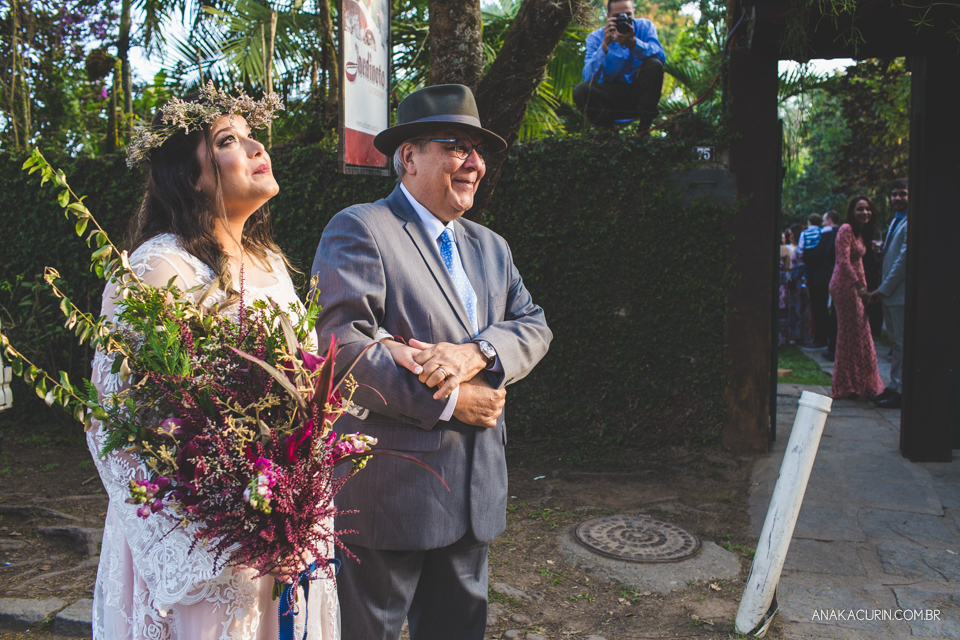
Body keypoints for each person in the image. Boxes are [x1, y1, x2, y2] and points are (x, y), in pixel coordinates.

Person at [87, 89, 393, 639]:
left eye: (253, 136)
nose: (257, 147)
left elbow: (302, 390)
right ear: (190, 176)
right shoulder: (158, 268)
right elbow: (113, 423)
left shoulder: (269, 261)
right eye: (229, 140)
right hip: (205, 543)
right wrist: (227, 531)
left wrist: (294, 505)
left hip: (286, 527)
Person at [311, 84, 552, 640]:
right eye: (456, 146)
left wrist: (476, 353)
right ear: (409, 157)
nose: (474, 163)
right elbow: (341, 348)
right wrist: (451, 400)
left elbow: (534, 325)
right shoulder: (361, 227)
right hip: (390, 494)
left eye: (477, 150)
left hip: (475, 492)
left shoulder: (492, 247)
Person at [572, 0, 665, 129]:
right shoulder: (595, 38)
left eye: (628, 15)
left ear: (634, 12)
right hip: (609, 98)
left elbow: (660, 58)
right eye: (617, 17)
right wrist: (604, 46)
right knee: (581, 91)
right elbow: (588, 77)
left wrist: (634, 44)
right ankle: (608, 132)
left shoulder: (645, 27)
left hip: (639, 95)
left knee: (653, 64)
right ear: (608, 16)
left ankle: (644, 129)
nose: (623, 20)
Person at [829, 196, 884, 399]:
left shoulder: (860, 233)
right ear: (852, 211)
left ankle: (859, 383)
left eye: (867, 209)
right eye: (860, 209)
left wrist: (865, 289)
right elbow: (843, 262)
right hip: (845, 287)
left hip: (856, 287)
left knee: (860, 335)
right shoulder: (845, 229)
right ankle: (844, 385)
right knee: (849, 336)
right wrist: (860, 287)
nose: (864, 213)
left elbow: (859, 265)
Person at [868, 178, 909, 408]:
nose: (897, 198)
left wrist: (883, 289)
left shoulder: (911, 221)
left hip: (898, 293)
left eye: (902, 193)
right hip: (889, 294)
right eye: (894, 194)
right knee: (894, 342)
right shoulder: (896, 220)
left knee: (901, 343)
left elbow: (903, 261)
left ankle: (901, 390)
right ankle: (893, 386)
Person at [804, 210, 839, 349]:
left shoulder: (828, 234)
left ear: (829, 220)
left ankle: (821, 338)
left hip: (820, 277)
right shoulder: (838, 233)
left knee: (819, 308)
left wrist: (805, 257)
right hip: (830, 275)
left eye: (824, 220)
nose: (823, 224)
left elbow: (820, 253)